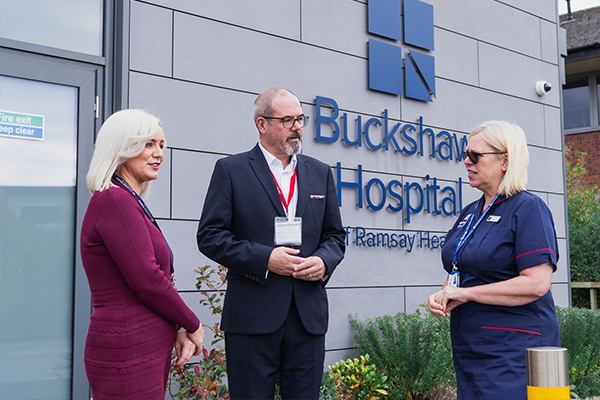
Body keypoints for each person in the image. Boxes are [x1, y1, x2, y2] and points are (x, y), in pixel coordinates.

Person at [197, 87, 345, 400]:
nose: (297, 127)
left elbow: (335, 236)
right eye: (288, 120)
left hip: (308, 318)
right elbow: (211, 236)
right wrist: (266, 259)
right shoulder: (232, 170)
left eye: (301, 119)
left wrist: (323, 261)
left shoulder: (319, 173)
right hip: (252, 317)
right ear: (262, 124)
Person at [427, 120, 560, 400]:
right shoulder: (470, 213)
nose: (466, 161)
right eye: (465, 154)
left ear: (505, 160)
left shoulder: (528, 208)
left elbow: (536, 284)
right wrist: (445, 293)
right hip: (471, 348)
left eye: (475, 155)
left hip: (515, 351)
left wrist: (467, 292)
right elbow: (464, 269)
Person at [80, 109, 205, 400]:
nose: (158, 153)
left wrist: (175, 328)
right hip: (127, 347)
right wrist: (192, 323)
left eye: (161, 145)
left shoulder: (126, 201)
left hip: (141, 344)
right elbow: (148, 279)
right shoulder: (115, 199)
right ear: (122, 147)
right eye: (148, 144)